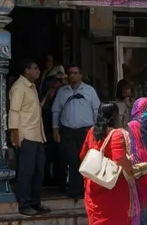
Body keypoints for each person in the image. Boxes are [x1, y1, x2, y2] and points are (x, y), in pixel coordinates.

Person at [79, 101, 141, 225]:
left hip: (92, 185)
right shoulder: (116, 134)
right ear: (114, 116)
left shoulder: (92, 131)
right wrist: (132, 170)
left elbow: (82, 155)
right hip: (113, 188)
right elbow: (119, 160)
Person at [52, 65, 100, 200]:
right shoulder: (62, 91)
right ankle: (74, 190)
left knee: (87, 161)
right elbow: (56, 111)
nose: (72, 75)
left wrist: (97, 130)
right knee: (72, 160)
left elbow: (97, 111)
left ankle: (88, 190)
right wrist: (55, 130)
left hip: (86, 132)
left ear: (81, 75)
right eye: (70, 73)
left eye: (75, 73)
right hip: (68, 132)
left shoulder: (89, 91)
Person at [9, 60, 49, 217]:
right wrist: (15, 135)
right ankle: (24, 204)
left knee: (38, 171)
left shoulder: (31, 87)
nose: (38, 71)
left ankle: (34, 202)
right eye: (35, 68)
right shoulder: (19, 87)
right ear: (26, 70)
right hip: (26, 135)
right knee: (27, 171)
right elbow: (14, 112)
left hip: (37, 135)